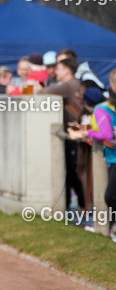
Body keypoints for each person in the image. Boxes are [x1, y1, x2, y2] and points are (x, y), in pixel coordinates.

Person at [70, 72, 116, 237]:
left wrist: (88, 134)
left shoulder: (101, 110)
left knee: (110, 196)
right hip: (111, 156)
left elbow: (106, 134)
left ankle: (108, 228)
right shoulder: (105, 108)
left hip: (112, 157)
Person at [43, 57, 87, 212]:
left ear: (67, 70)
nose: (56, 71)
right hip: (75, 134)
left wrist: (37, 87)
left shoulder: (69, 85)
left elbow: (44, 92)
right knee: (71, 171)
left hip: (74, 136)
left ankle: (81, 206)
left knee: (71, 172)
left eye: (59, 68)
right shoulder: (73, 84)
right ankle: (78, 205)